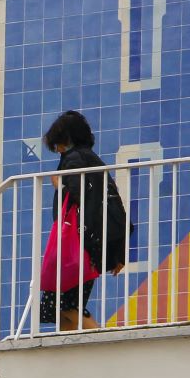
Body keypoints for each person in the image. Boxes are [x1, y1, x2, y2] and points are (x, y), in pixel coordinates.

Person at [39, 110, 127, 330]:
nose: (57, 149)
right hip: (90, 244)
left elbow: (78, 197)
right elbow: (113, 205)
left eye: (58, 143)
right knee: (60, 307)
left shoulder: (74, 160)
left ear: (67, 139)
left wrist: (59, 185)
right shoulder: (92, 160)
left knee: (64, 305)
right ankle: (73, 351)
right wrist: (118, 252)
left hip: (77, 244)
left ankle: (103, 344)